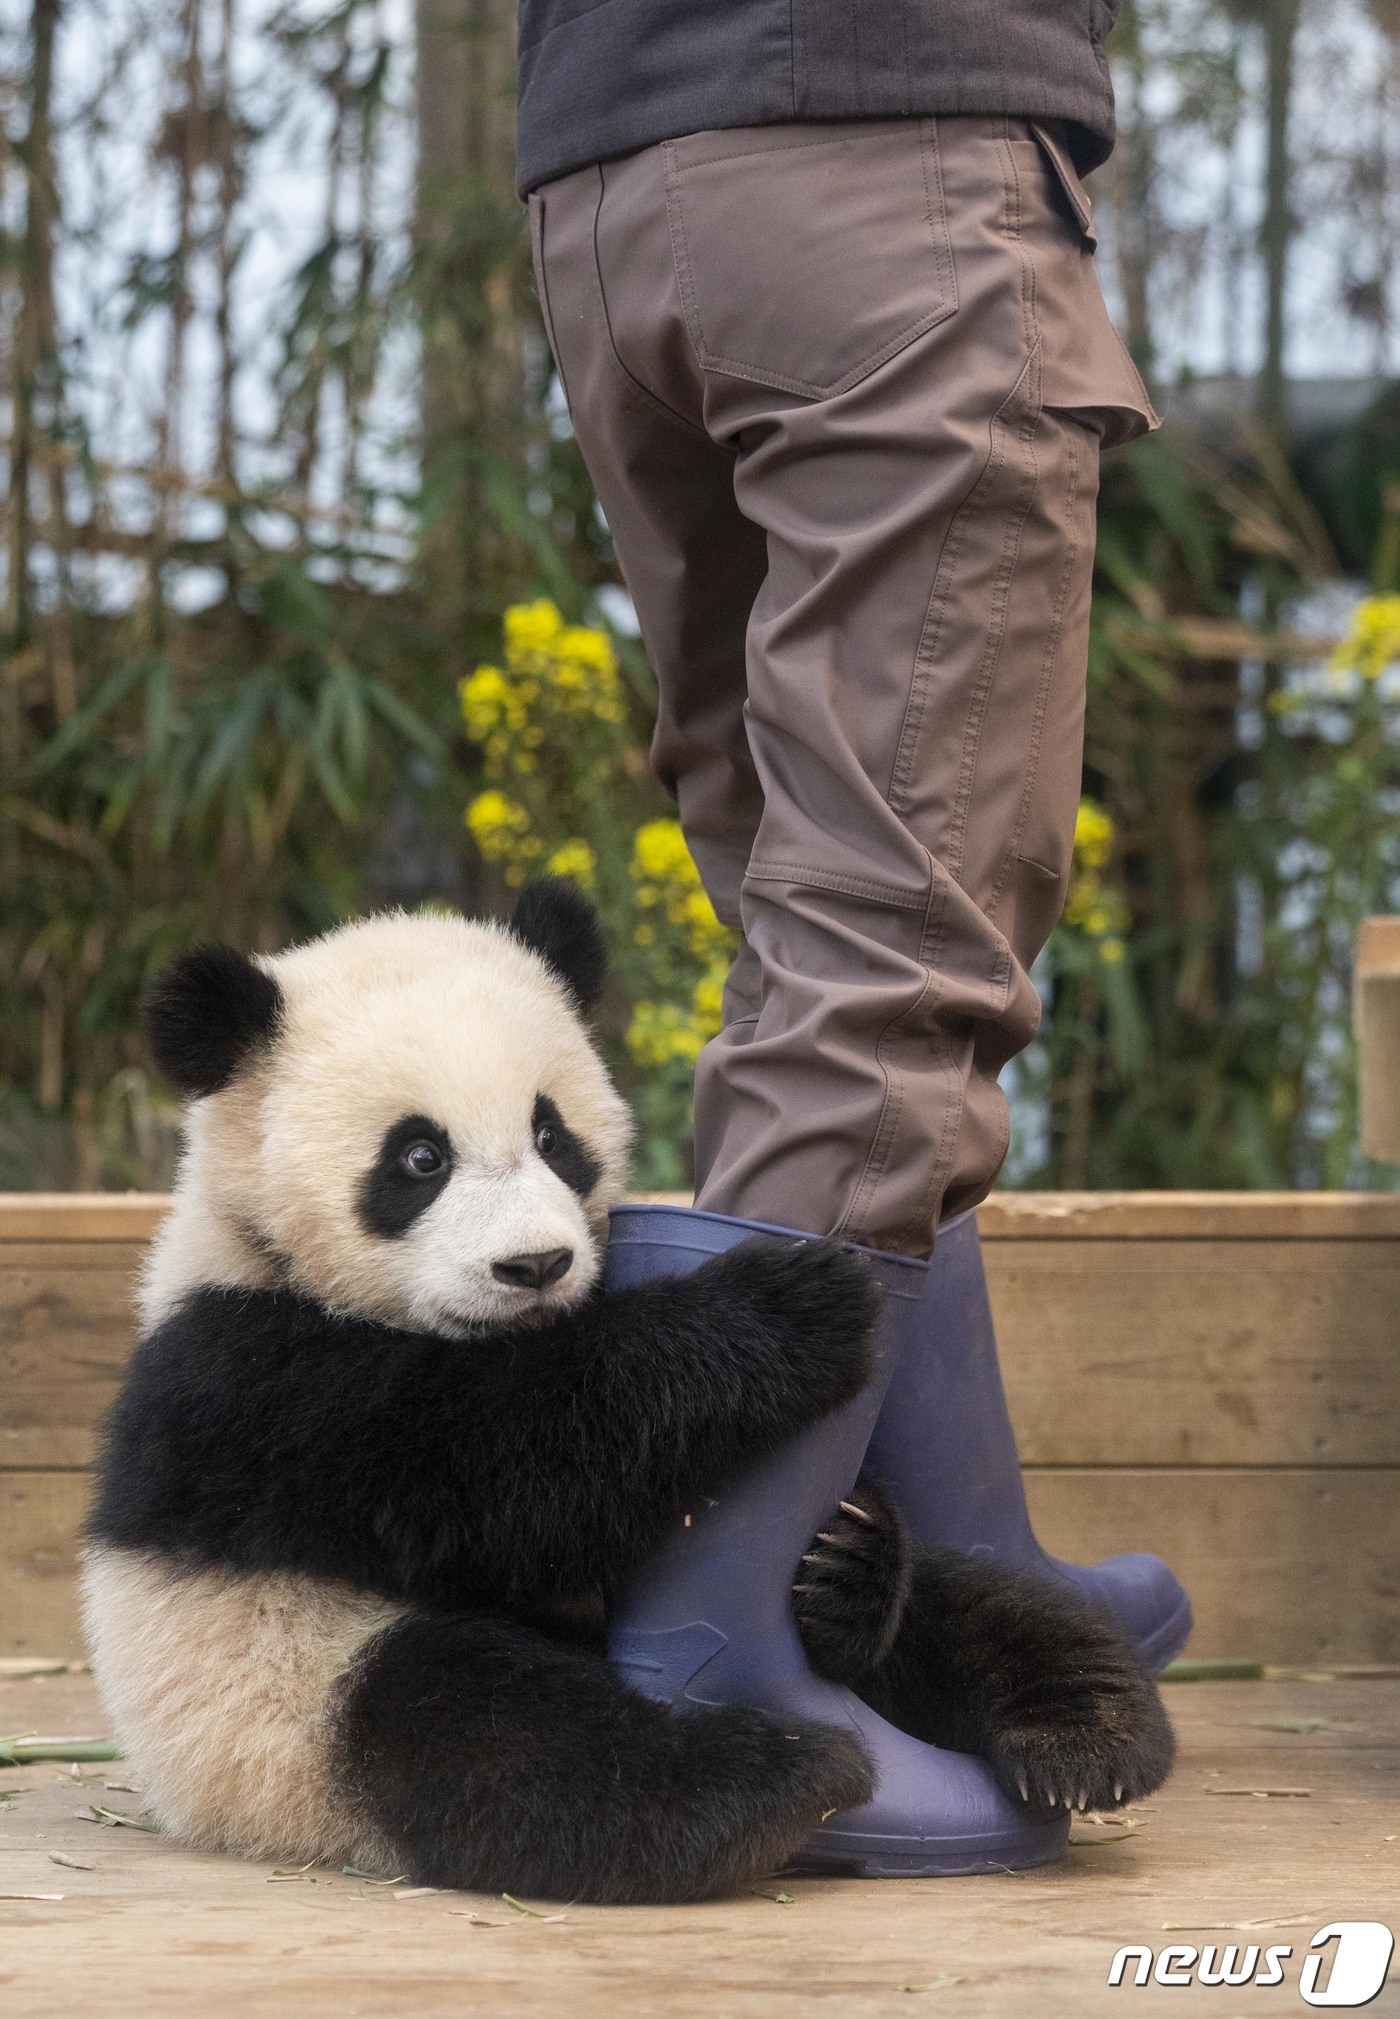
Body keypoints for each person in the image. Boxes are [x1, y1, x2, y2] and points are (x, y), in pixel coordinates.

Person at [514, 0, 1192, 1860]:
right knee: (897, 945)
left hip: (618, 178)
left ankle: (965, 1584)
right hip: (897, 156)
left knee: (827, 926)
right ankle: (714, 1659)